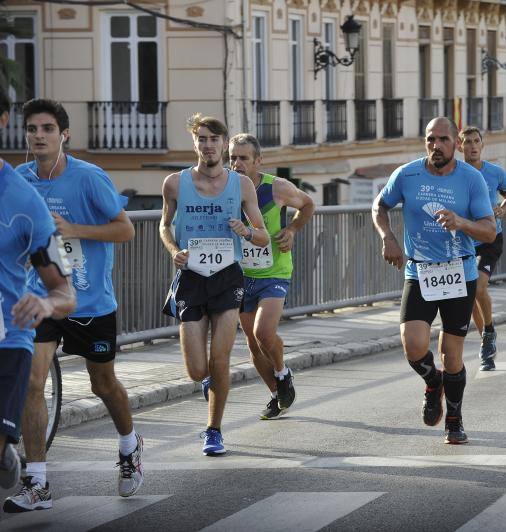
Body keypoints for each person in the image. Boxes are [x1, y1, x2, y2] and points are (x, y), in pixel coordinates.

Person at [6, 98, 140, 513]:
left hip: (90, 301)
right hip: (42, 299)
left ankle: (128, 445)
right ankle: (38, 482)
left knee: (103, 384)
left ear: (64, 134)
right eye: (32, 129)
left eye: (47, 129)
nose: (38, 136)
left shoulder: (88, 177)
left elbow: (126, 229)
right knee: (32, 382)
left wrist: (72, 229)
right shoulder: (20, 181)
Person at [372, 117, 495, 444]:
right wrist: (388, 237)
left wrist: (462, 222)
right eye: (430, 139)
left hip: (460, 272)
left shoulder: (472, 179)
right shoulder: (407, 174)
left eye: (443, 139)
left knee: (451, 355)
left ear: (456, 142)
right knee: (412, 345)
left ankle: (454, 420)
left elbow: (490, 229)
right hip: (420, 270)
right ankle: (433, 383)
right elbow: (379, 206)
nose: (436, 146)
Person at [160, 114, 268, 454]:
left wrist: (246, 231)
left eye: (214, 139)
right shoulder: (175, 183)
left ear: (224, 144)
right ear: (195, 143)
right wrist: (174, 249)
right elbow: (164, 226)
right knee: (196, 369)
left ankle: (213, 430)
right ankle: (209, 382)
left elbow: (263, 236)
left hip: (227, 277)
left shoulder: (242, 185)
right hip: (191, 277)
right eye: (202, 139)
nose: (208, 145)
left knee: (220, 360)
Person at [0, 89, 75, 496]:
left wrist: (45, 302)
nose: (40, 134)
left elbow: (65, 293)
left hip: (7, 339)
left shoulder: (25, 202)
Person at [229, 133, 315, 419]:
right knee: (253, 345)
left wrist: (291, 230)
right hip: (240, 275)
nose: (237, 164)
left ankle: (283, 372)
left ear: (257, 161)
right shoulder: (225, 189)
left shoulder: (276, 188)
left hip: (274, 272)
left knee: (262, 332)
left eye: (243, 158)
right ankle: (276, 394)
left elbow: (308, 204)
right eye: (233, 158)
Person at [457, 126, 506, 371]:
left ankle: (488, 332)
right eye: (467, 142)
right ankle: (485, 343)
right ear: (460, 147)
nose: (472, 146)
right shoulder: (455, 174)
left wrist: (504, 209)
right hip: (464, 240)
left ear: (482, 144)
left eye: (475, 141)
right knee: (470, 296)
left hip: (490, 238)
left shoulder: (495, 173)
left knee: (479, 286)